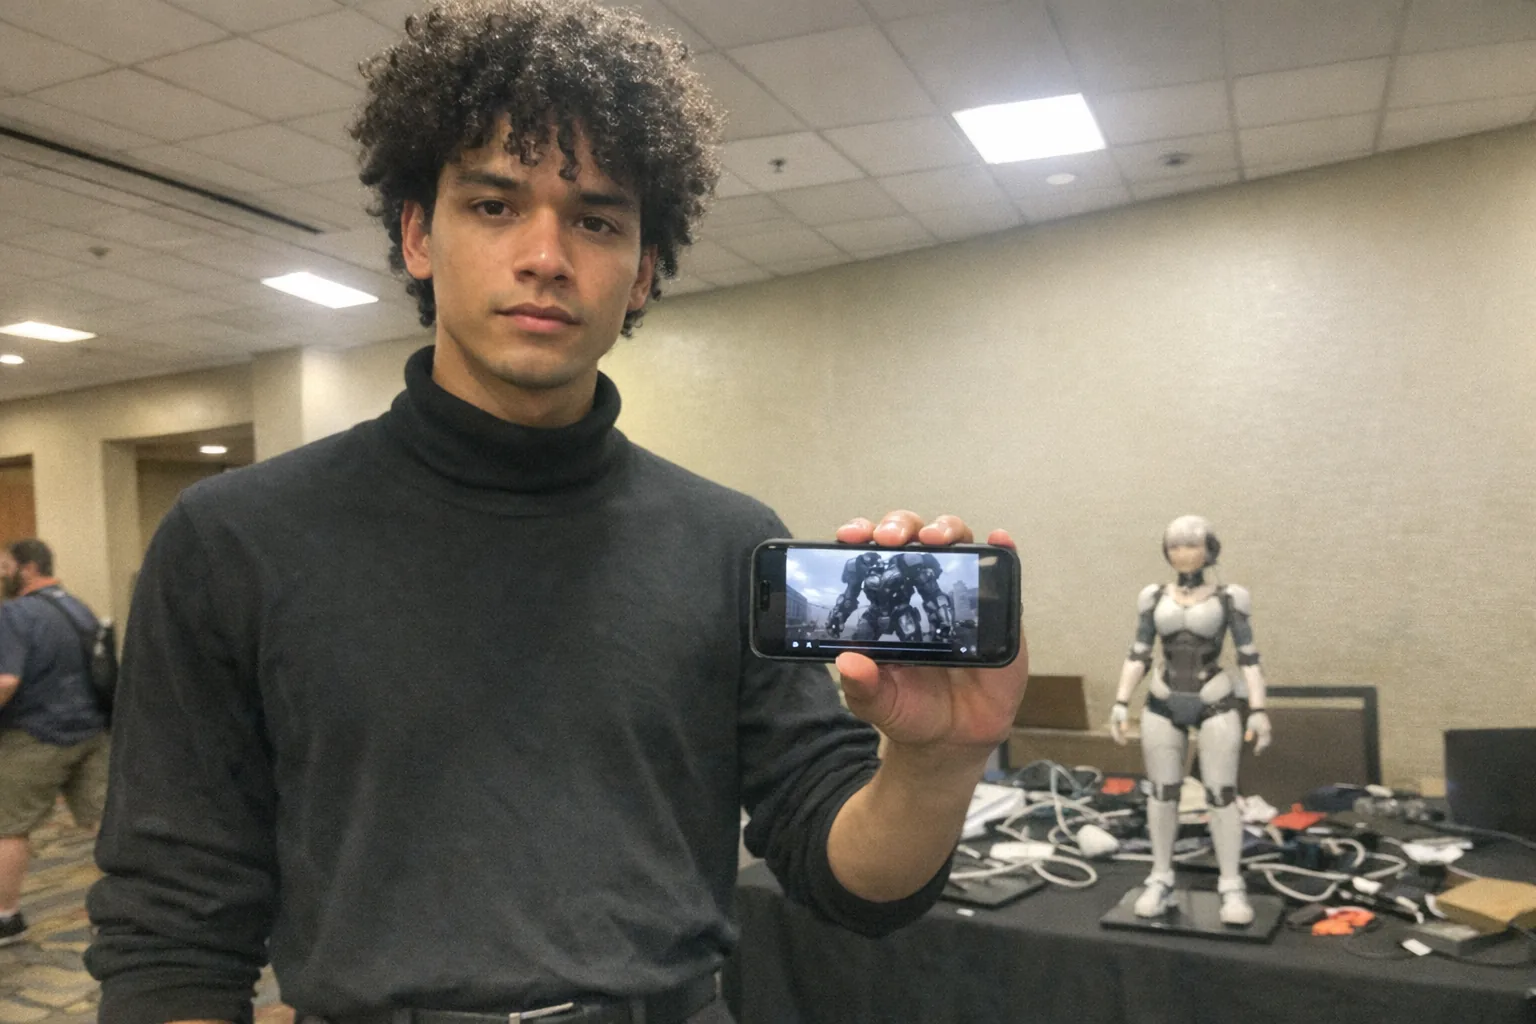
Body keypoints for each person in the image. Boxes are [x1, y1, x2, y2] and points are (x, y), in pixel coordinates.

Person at [83, 3, 1029, 1023]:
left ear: (643, 273)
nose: (545, 255)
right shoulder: (234, 539)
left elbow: (849, 880)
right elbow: (171, 928)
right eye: (495, 205)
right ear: (419, 235)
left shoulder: (727, 540)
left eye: (596, 220)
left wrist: (937, 763)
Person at [1107, 515, 1272, 926]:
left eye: (1192, 545)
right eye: (1175, 546)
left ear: (1209, 549)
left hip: (1214, 698)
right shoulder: (1153, 597)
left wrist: (1259, 709)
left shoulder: (1229, 597)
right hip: (1163, 699)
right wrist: (1121, 701)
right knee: (1162, 792)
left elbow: (1249, 657)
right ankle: (1161, 877)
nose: (1182, 553)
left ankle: (1231, 884)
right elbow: (1139, 651)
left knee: (1221, 794)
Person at [0, 538, 112, 947]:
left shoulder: (15, 613)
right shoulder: (78, 608)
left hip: (35, 736)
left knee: (8, 826)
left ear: (28, 568)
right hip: (91, 731)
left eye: (6, 566)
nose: (1, 574)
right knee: (104, 823)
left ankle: (6, 918)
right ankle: (123, 912)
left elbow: (6, 681)